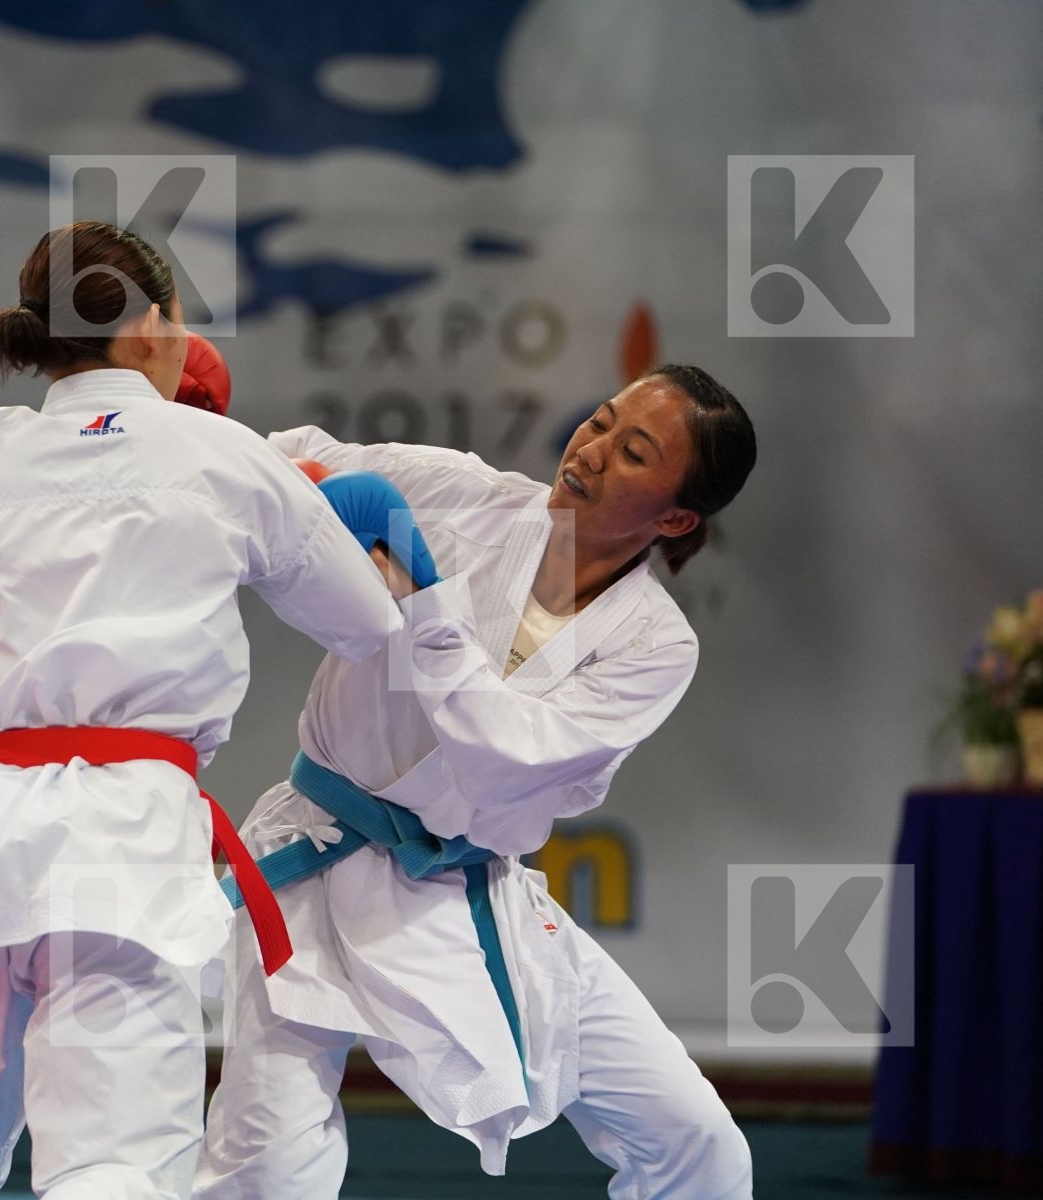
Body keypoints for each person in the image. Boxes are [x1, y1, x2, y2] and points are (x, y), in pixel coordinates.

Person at [0, 220, 419, 1199]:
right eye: (176, 317)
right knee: (114, 1159)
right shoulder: (220, 455)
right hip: (120, 838)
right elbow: (365, 625)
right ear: (146, 327)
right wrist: (340, 514)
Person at [195, 365, 759, 1199]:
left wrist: (425, 602)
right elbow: (299, 461)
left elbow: (506, 759)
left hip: (466, 888)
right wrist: (186, 431)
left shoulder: (655, 645)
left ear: (676, 516)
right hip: (314, 861)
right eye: (600, 422)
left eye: (633, 451)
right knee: (271, 1166)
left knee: (700, 1143)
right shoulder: (466, 495)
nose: (593, 451)